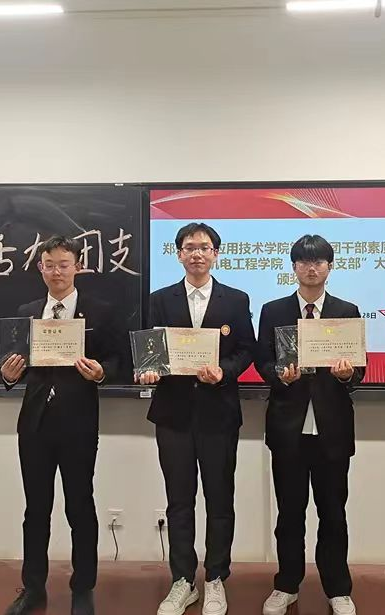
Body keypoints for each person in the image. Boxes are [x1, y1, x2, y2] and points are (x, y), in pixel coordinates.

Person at [0, 235, 124, 615]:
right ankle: (33, 588)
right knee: (35, 510)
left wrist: (101, 372)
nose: (57, 272)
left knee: (80, 507)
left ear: (77, 267)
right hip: (35, 424)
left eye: (64, 264)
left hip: (79, 423)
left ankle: (82, 588)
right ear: (41, 268)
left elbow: (117, 359)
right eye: (49, 265)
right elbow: (14, 362)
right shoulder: (27, 311)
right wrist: (8, 375)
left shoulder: (99, 312)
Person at [138, 223, 256, 615]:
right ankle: (183, 581)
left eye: (205, 247)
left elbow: (246, 349)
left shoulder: (235, 299)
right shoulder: (160, 300)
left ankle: (216, 578)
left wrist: (224, 371)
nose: (197, 254)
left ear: (216, 254)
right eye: (189, 247)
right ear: (178, 254)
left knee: (220, 499)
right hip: (173, 414)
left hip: (218, 413)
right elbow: (150, 349)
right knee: (179, 501)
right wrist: (149, 370)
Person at [255, 234, 365, 615]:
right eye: (303, 261)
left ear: (330, 267)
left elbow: (360, 370)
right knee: (289, 513)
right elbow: (263, 360)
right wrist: (279, 375)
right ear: (294, 267)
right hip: (289, 429)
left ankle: (338, 588)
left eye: (318, 261)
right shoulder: (274, 310)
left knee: (333, 513)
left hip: (332, 429)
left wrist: (347, 374)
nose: (311, 268)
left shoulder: (347, 310)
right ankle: (286, 584)